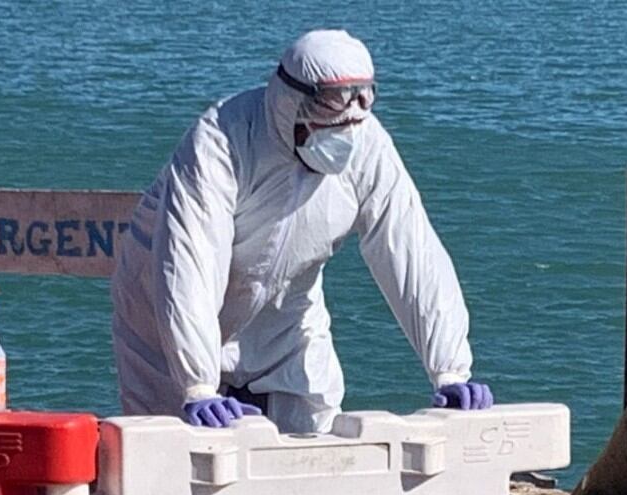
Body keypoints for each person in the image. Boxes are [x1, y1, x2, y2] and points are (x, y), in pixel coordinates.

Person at [111, 29, 493, 432]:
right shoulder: (221, 140)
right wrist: (198, 384)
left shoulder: (367, 144)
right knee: (172, 457)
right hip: (163, 322)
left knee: (315, 447)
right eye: (330, 105)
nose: (345, 125)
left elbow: (411, 252)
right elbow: (190, 263)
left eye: (360, 101)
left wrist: (450, 370)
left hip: (286, 319)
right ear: (291, 100)